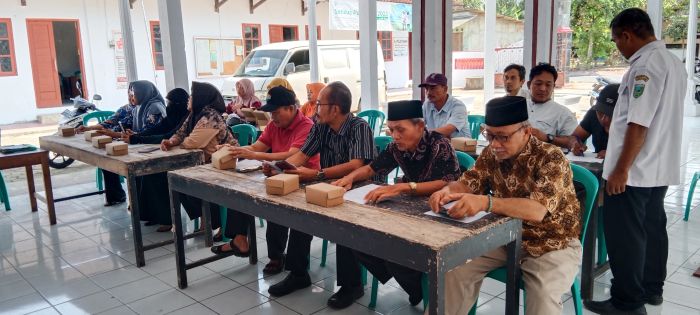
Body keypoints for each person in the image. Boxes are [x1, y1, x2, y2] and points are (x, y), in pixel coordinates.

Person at [430, 96, 582, 315]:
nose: (494, 144)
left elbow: (536, 210)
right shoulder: (492, 153)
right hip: (505, 236)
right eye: (489, 135)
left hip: (553, 242)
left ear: (527, 131)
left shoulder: (551, 158)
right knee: (453, 269)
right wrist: (449, 191)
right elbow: (470, 181)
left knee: (542, 298)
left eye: (502, 137)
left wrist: (486, 202)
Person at [584, 8, 686, 315]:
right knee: (653, 229)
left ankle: (627, 303)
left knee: (626, 236)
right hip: (658, 166)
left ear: (628, 35)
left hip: (635, 171)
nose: (618, 47)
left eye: (617, 41)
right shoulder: (672, 62)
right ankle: (652, 290)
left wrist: (620, 170)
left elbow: (638, 123)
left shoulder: (646, 65)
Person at [331, 100, 461, 306]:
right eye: (391, 130)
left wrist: (403, 187)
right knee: (356, 237)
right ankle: (412, 283)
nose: (395, 136)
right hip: (409, 210)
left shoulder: (439, 144)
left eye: (400, 129)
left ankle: (418, 287)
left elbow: (449, 182)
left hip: (438, 212)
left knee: (394, 250)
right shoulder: (396, 147)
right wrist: (350, 177)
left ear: (420, 126)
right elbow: (371, 169)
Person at [266, 82, 376, 310]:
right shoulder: (321, 126)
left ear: (335, 108)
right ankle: (298, 273)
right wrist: (280, 167)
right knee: (300, 213)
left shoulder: (359, 127)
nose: (315, 108)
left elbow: (357, 164)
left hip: (358, 189)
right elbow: (303, 154)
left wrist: (318, 173)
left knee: (345, 223)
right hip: (327, 184)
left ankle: (351, 285)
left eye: (319, 104)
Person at [210, 86, 320, 275]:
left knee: (274, 206)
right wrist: (236, 150)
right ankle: (240, 239)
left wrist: (254, 155)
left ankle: (276, 257)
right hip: (278, 173)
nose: (273, 118)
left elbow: (293, 155)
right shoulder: (274, 125)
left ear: (291, 108)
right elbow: (257, 146)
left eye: (276, 112)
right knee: (242, 188)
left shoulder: (306, 126)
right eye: (271, 113)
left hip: (304, 178)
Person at [161, 82, 238, 233]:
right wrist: (171, 141)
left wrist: (179, 143)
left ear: (201, 98)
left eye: (192, 95)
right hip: (206, 161)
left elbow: (192, 142)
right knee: (178, 182)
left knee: (188, 182)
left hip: (224, 162)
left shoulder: (210, 116)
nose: (189, 98)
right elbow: (181, 132)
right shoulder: (194, 115)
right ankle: (206, 219)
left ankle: (214, 221)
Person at [119, 88, 189, 231]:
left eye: (171, 102)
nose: (168, 105)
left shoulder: (186, 117)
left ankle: (166, 219)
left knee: (157, 175)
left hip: (183, 158)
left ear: (178, 103)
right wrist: (137, 135)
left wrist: (138, 138)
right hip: (168, 152)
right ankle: (152, 215)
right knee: (144, 174)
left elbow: (170, 134)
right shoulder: (172, 114)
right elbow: (158, 128)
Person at [526, 63, 577, 149]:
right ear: (529, 85)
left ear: (553, 87)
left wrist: (547, 138)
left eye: (548, 85)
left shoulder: (564, 114)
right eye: (538, 84)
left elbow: (573, 142)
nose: (543, 89)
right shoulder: (518, 107)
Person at [568, 84, 619, 158]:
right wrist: (575, 143)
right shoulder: (593, 113)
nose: (604, 119)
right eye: (600, 113)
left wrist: (615, 154)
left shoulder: (634, 124)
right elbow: (575, 136)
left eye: (611, 114)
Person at [419, 73, 469, 138]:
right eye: (426, 89)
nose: (428, 93)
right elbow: (418, 125)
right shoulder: (427, 104)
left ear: (445, 89)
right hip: (438, 144)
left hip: (461, 147)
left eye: (433, 88)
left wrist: (422, 134)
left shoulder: (458, 106)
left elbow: (447, 130)